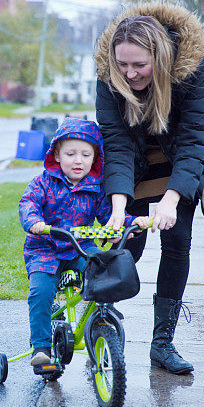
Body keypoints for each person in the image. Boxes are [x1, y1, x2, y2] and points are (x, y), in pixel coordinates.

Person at [94, 1, 204, 375]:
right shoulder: (108, 74)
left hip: (181, 159)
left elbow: (195, 138)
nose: (130, 73)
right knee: (125, 243)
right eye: (123, 65)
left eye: (139, 65)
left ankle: (162, 344)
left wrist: (171, 200)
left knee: (177, 239)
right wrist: (118, 205)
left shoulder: (193, 67)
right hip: (134, 161)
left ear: (161, 56)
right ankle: (103, 324)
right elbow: (116, 141)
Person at [19, 118, 151, 366]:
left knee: (103, 271)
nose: (78, 161)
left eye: (85, 155)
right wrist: (34, 221)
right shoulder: (43, 183)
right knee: (42, 291)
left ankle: (101, 318)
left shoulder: (96, 188)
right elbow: (28, 204)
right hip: (45, 249)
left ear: (94, 158)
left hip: (78, 246)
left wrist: (131, 223)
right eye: (70, 154)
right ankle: (41, 347)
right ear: (57, 155)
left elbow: (107, 216)